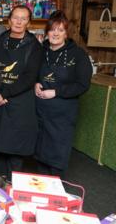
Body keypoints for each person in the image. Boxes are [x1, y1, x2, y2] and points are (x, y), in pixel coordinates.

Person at [0, 5, 43, 182]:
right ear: (9, 20)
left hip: (20, 99)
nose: (19, 22)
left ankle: (14, 181)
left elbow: (30, 76)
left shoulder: (34, 45)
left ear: (29, 22)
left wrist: (5, 94)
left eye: (23, 18)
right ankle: (0, 177)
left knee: (16, 142)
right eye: (15, 18)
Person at [34, 11, 92, 177]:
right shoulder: (41, 50)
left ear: (66, 33)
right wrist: (35, 83)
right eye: (52, 29)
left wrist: (57, 91)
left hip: (62, 113)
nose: (55, 33)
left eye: (60, 30)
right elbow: (32, 72)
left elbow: (82, 85)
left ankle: (55, 186)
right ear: (47, 32)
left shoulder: (78, 55)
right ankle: (41, 186)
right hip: (40, 110)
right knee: (40, 149)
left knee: (57, 151)